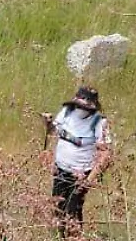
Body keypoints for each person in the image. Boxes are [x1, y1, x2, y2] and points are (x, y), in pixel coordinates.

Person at [46, 85, 111, 231]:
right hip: (61, 169)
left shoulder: (100, 122)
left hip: (81, 174)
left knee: (72, 211)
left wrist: (89, 180)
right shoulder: (67, 112)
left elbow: (106, 153)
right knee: (56, 207)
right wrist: (48, 123)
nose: (82, 109)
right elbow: (53, 132)